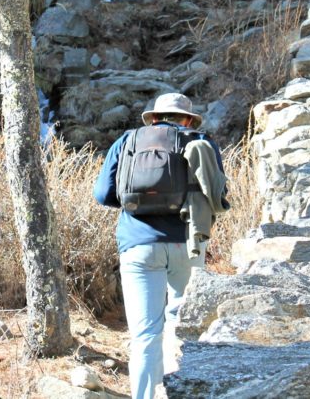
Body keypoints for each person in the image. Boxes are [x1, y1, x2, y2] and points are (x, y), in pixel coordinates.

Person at [93, 93, 227, 399]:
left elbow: (102, 194)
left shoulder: (128, 141)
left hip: (138, 244)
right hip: (187, 243)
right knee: (180, 326)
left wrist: (134, 204)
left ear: (153, 118)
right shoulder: (201, 141)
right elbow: (218, 194)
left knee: (144, 335)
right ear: (188, 120)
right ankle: (178, 391)